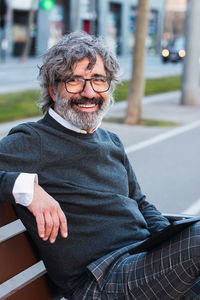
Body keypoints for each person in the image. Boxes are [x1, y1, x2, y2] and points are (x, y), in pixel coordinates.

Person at [0, 31, 200, 300]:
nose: (89, 92)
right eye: (74, 81)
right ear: (52, 88)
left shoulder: (110, 141)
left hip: (143, 261)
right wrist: (24, 187)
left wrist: (171, 240)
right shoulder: (34, 140)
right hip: (100, 281)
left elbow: (139, 202)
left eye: (98, 80)